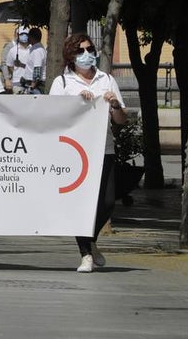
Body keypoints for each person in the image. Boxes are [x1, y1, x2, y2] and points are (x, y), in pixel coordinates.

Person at [49, 33, 127, 273]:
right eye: (80, 50)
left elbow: (121, 119)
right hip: (74, 152)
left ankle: (90, 240)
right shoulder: (62, 83)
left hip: (103, 148)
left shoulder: (106, 79)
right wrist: (77, 104)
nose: (86, 54)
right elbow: (52, 116)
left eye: (89, 49)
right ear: (70, 56)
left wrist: (114, 104)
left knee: (107, 202)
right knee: (80, 204)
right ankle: (85, 254)